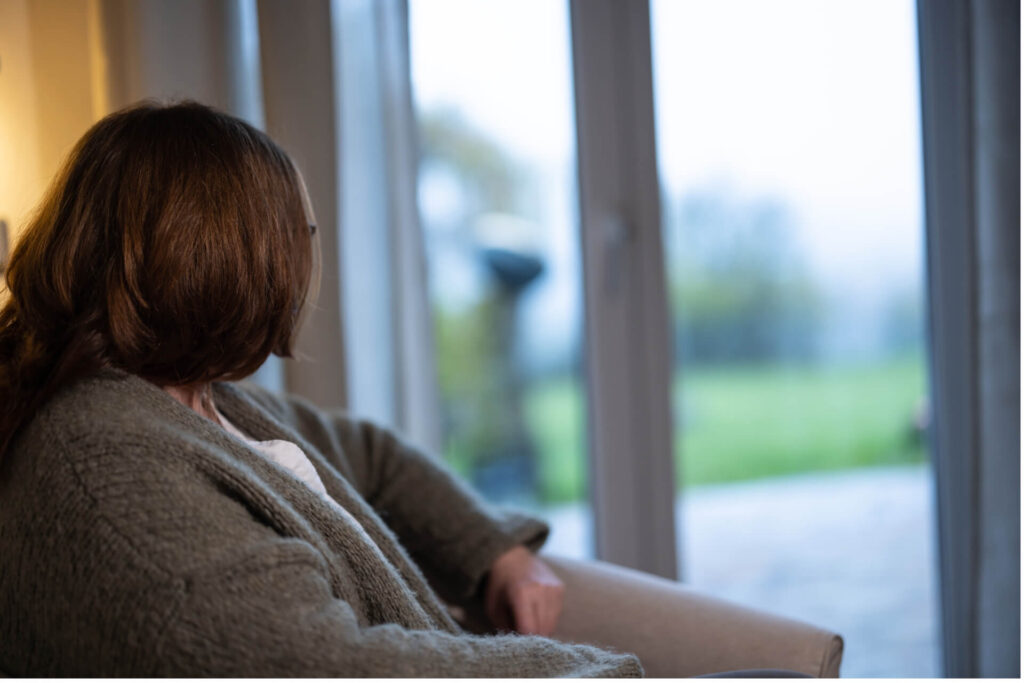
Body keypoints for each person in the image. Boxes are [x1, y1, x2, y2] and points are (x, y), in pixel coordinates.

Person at [0, 101, 642, 677]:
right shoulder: (107, 460)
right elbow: (320, 664)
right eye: (298, 236)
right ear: (225, 257)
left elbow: (374, 456)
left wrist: (496, 552)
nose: (305, 264)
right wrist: (581, 670)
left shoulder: (204, 401)